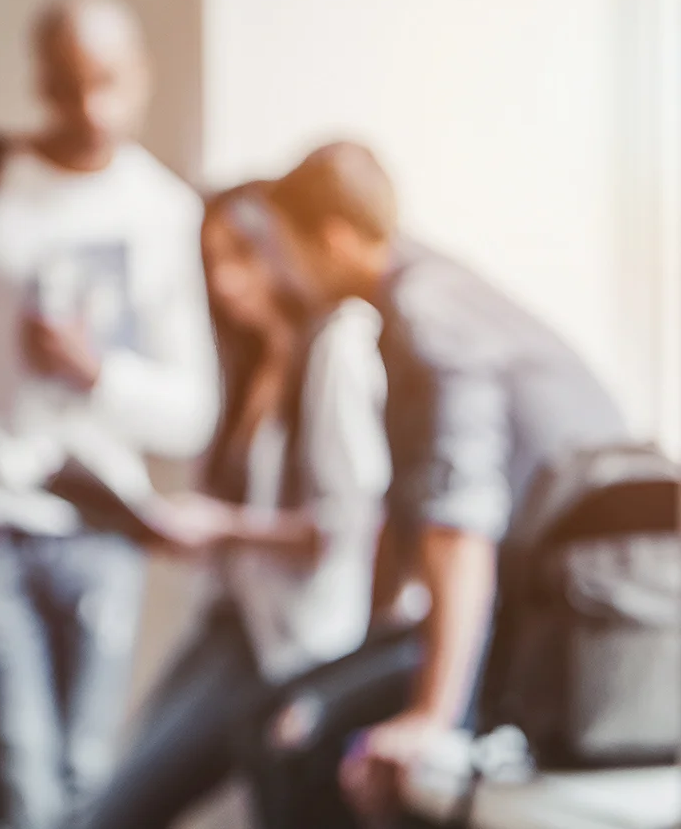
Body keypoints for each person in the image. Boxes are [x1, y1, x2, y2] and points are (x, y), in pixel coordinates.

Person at [0, 0, 217, 828]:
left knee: (86, 785)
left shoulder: (164, 211)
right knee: (18, 792)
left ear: (140, 77)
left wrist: (99, 373)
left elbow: (192, 410)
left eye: (107, 81)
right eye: (69, 83)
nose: (90, 107)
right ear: (41, 79)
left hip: (103, 537)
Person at [264, 141, 629, 826]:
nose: (282, 271)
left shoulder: (432, 316)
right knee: (285, 713)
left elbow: (461, 523)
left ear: (336, 240)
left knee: (307, 741)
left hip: (576, 621)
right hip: (550, 608)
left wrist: (432, 715)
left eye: (287, 249)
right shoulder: (429, 294)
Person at [73, 182, 391, 828]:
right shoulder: (243, 365)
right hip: (230, 621)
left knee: (120, 810)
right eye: (211, 262)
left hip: (296, 645)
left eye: (241, 256)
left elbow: (350, 526)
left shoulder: (335, 348)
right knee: (110, 798)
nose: (225, 282)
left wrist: (228, 529)